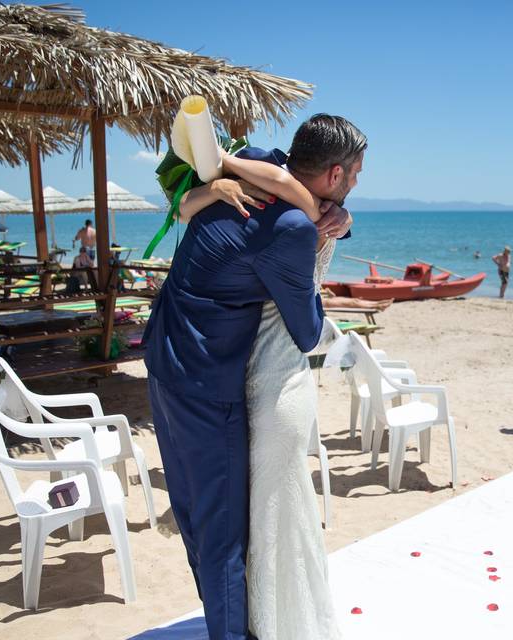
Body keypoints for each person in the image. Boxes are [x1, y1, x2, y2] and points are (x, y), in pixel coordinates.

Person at [144, 113, 364, 640]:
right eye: (354, 174)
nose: (356, 182)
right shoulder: (290, 229)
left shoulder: (257, 165)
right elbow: (308, 333)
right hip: (206, 378)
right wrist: (319, 242)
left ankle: (229, 622)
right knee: (223, 530)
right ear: (333, 175)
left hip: (161, 355)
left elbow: (193, 206)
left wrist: (338, 215)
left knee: (195, 513)